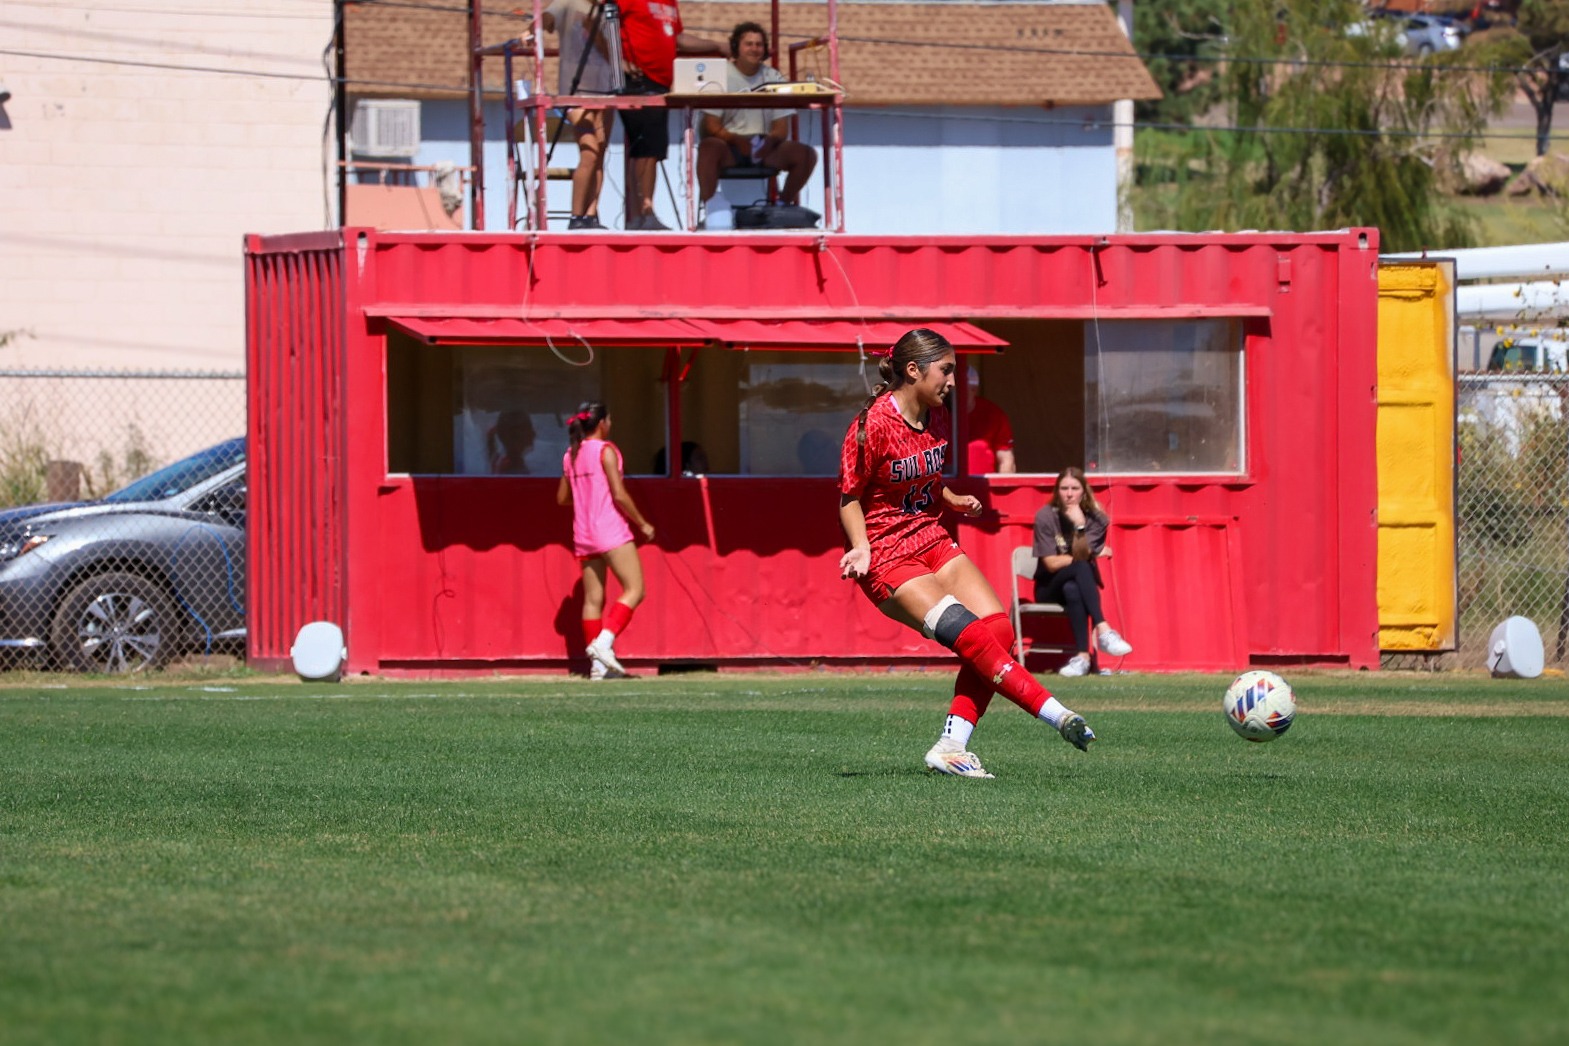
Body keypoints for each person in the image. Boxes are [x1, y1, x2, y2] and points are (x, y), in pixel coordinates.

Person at [837, 328, 1096, 779]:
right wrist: (861, 547)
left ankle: (952, 746)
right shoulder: (872, 424)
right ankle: (1059, 715)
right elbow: (849, 496)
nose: (954, 381)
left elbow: (924, 477)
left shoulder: (938, 416)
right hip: (888, 554)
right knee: (973, 638)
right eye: (947, 370)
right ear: (913, 370)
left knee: (999, 632)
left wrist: (952, 499)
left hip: (931, 537)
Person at [556, 401, 655, 679]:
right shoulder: (605, 450)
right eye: (609, 420)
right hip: (610, 530)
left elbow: (562, 498)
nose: (610, 424)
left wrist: (585, 491)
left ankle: (598, 667)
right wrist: (643, 523)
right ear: (602, 423)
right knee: (635, 589)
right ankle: (603, 643)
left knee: (593, 599)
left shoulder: (571, 454)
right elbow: (619, 494)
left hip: (583, 534)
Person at [615, 0, 722, 230]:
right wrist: (618, 62)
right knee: (645, 147)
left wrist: (717, 45)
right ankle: (644, 212)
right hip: (636, 78)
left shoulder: (669, 2)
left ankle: (641, 215)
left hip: (660, 83)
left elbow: (678, 38)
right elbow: (605, 26)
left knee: (649, 148)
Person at [695, 23, 818, 216]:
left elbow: (781, 128)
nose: (754, 49)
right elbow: (711, 125)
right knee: (708, 147)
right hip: (728, 146)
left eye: (759, 44)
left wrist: (769, 142)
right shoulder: (719, 75)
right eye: (748, 44)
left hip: (763, 147)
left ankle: (782, 206)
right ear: (736, 47)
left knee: (806, 154)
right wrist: (738, 141)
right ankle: (712, 212)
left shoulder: (773, 76)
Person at [1031, 466, 1133, 677]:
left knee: (1073, 588)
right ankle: (1103, 629)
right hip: (1048, 587)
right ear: (1057, 491)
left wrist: (1079, 526)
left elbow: (1081, 554)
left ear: (1084, 492)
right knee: (1082, 565)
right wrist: (1086, 554)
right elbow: (1050, 564)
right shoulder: (1046, 516)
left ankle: (1082, 659)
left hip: (1076, 584)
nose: (1069, 494)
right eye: (1064, 488)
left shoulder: (1097, 519)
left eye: (1075, 488)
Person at [540, 0, 617, 230]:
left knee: (600, 152)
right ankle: (576, 217)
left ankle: (591, 215)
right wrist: (531, 32)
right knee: (590, 152)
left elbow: (615, 51)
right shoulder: (569, 2)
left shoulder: (613, 9)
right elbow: (545, 19)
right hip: (576, 93)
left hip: (606, 90)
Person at [965, 367, 1016, 474]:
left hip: (982, 484)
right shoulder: (938, 415)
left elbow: (1006, 460)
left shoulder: (994, 415)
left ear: (974, 389)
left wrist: (1003, 483)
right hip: (945, 483)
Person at [487, 409, 536, 474]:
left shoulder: (500, 461)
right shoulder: (517, 468)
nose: (534, 434)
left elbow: (492, 455)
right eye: (529, 428)